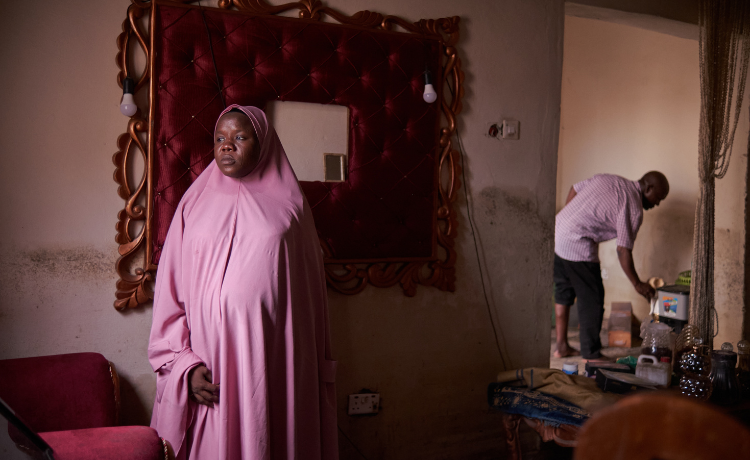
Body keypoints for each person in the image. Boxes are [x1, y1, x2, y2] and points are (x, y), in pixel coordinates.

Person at [148, 105, 338, 460]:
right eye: (220, 138)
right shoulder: (194, 203)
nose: (226, 146)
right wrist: (184, 366)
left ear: (263, 142)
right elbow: (170, 292)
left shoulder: (291, 209)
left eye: (239, 138)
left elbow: (307, 303)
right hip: (209, 365)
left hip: (270, 360)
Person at [553, 171, 669, 360]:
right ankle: (591, 354)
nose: (658, 203)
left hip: (558, 232)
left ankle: (561, 347)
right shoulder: (633, 207)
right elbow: (623, 250)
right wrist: (637, 284)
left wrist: (570, 222)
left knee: (563, 292)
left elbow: (574, 188)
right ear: (648, 188)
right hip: (577, 244)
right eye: (659, 197)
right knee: (593, 299)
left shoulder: (611, 179)